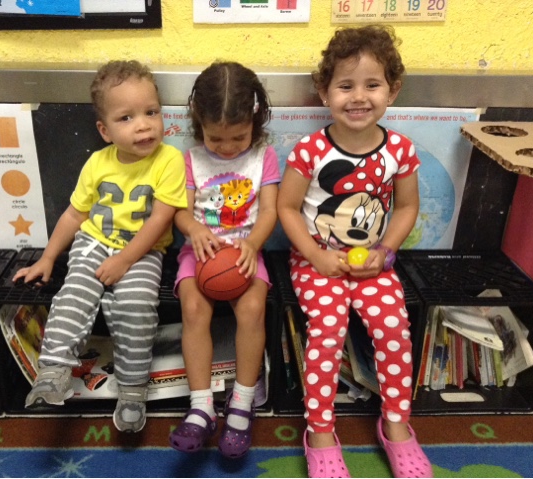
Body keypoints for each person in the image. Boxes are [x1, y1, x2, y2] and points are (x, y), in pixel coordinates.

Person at [276, 26, 432, 478]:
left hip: (374, 263)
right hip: (316, 261)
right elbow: (287, 208)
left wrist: (385, 250)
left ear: (392, 90)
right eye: (345, 86)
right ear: (324, 92)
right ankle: (320, 433)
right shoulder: (310, 150)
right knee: (327, 331)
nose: (359, 97)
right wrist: (317, 257)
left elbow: (407, 207)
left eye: (372, 85)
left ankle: (396, 425)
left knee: (393, 327)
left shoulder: (400, 150)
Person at [12, 60, 187, 433]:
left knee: (136, 306)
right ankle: (54, 370)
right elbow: (75, 215)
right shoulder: (97, 163)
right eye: (126, 118)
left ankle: (133, 390)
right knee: (75, 290)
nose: (143, 125)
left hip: (144, 251)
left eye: (151, 112)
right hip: (94, 241)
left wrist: (124, 260)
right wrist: (47, 257)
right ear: (105, 131)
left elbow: (161, 219)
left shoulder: (170, 160)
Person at [168, 61, 280, 458]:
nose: (228, 147)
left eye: (239, 137)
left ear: (255, 121)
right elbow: (180, 212)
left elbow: (270, 211)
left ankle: (242, 402)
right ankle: (201, 407)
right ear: (198, 122)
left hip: (247, 250)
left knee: (252, 310)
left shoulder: (264, 156)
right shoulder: (189, 159)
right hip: (200, 253)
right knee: (193, 309)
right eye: (216, 138)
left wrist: (252, 244)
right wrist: (193, 229)